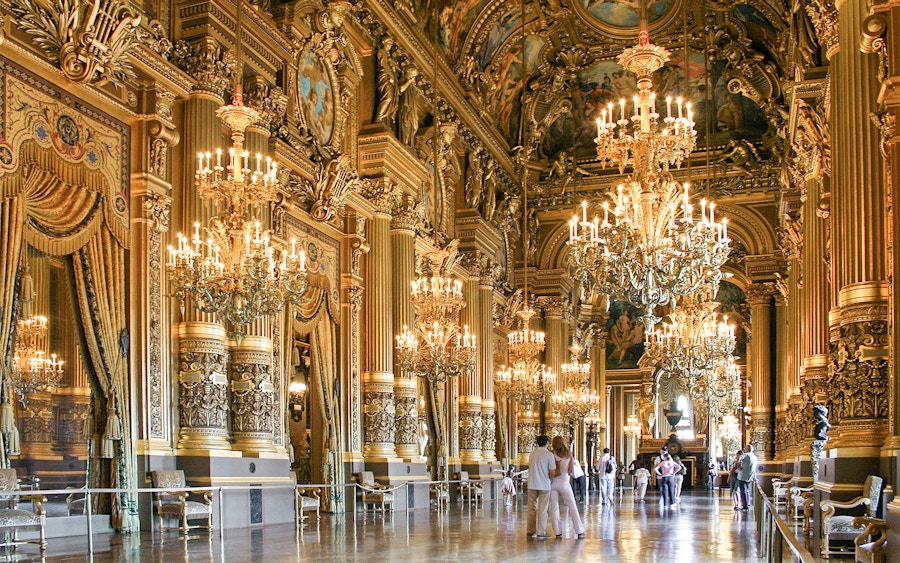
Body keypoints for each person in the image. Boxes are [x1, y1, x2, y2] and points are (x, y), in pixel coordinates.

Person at [548, 436, 586, 539]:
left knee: (554, 507)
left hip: (553, 482)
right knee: (572, 506)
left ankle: (558, 532)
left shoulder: (551, 454)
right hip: (564, 481)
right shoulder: (569, 454)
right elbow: (570, 470)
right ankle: (579, 530)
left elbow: (550, 469)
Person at [526, 435, 557, 539]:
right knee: (543, 509)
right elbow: (552, 471)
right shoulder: (549, 455)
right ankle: (541, 531)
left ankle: (530, 530)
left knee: (531, 508)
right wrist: (550, 480)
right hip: (544, 484)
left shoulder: (532, 454)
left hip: (532, 483)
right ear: (547, 443)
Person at [737, 444, 758, 510]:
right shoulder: (754, 457)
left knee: (743, 491)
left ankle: (745, 505)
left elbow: (739, 458)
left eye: (745, 448)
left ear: (747, 449)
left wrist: (738, 466)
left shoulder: (746, 455)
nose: (744, 449)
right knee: (747, 490)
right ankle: (747, 503)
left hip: (743, 476)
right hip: (750, 476)